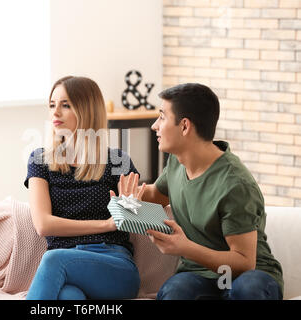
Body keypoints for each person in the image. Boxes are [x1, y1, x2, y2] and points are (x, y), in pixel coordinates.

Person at [131, 83, 283, 300]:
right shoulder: (177, 162)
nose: (155, 126)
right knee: (174, 293)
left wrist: (185, 247)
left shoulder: (235, 184)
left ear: (184, 126)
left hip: (248, 275)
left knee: (249, 290)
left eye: (162, 117)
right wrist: (125, 195)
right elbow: (156, 193)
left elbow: (244, 262)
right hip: (199, 274)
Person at [24, 76, 142, 300]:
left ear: (87, 110)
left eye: (65, 105)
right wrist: (107, 224)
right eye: (52, 105)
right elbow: (43, 224)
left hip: (114, 264)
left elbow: (137, 218)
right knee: (69, 297)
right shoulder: (39, 160)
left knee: (52, 259)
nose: (55, 113)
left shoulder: (117, 160)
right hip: (66, 264)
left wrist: (132, 208)